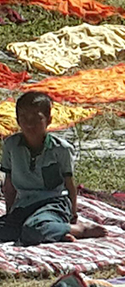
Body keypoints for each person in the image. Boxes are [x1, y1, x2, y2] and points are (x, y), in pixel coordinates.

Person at [0, 91, 107, 245]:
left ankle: (77, 230)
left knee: (32, 230)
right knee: (10, 230)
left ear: (49, 120)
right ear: (17, 120)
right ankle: (56, 232)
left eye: (36, 119)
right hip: (24, 204)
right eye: (24, 118)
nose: (29, 124)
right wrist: (11, 214)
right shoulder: (11, 145)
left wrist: (73, 214)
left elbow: (69, 183)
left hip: (53, 203)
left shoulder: (61, 149)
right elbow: (9, 185)